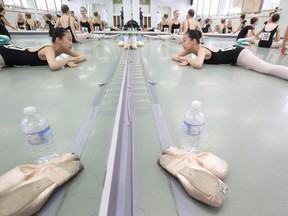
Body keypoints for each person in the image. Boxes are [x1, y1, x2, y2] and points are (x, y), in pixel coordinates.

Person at [172, 30, 288, 80]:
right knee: (263, 68)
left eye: (184, 40)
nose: (182, 43)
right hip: (235, 59)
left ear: (193, 41)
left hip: (239, 54)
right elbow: (174, 56)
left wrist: (185, 59)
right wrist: (186, 60)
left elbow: (197, 64)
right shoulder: (191, 50)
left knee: (266, 68)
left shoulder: (202, 49)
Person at [0, 27, 86, 71]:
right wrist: (68, 60)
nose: (71, 43)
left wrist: (71, 61)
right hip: (5, 53)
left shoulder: (63, 49)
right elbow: (53, 66)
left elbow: (83, 57)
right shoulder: (48, 49)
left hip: (8, 57)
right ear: (58, 40)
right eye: (69, 40)